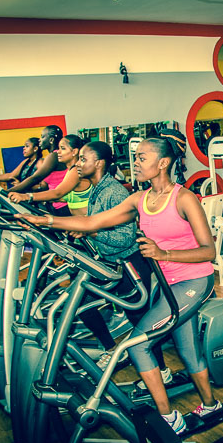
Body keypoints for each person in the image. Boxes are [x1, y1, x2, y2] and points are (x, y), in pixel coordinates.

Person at [17, 129, 221, 434]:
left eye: (142, 158)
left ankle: (169, 419)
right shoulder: (139, 198)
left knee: (137, 345)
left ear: (163, 163)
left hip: (193, 281)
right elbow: (92, 221)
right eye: (135, 158)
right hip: (166, 284)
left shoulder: (184, 198)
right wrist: (45, 221)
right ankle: (211, 404)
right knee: (187, 348)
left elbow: (209, 251)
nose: (135, 163)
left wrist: (163, 253)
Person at [72, 140, 170, 380]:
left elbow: (125, 239)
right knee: (81, 301)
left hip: (130, 264)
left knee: (140, 320)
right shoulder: (97, 188)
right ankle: (110, 348)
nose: (78, 164)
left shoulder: (114, 192)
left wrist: (91, 232)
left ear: (99, 163)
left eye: (83, 159)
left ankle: (163, 370)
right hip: (111, 264)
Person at [8, 134, 91, 215]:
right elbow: (62, 197)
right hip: (77, 220)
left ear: (74, 151)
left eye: (63, 148)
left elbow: (57, 193)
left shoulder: (76, 171)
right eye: (59, 148)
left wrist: (26, 196)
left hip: (85, 221)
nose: (58, 152)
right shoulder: (70, 170)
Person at [7, 125, 67, 193]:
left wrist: (8, 192)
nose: (39, 140)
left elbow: (35, 178)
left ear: (51, 140)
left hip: (59, 198)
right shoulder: (54, 155)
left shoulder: (53, 156)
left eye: (42, 136)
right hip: (54, 197)